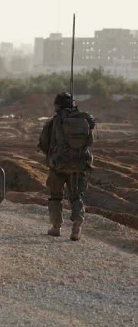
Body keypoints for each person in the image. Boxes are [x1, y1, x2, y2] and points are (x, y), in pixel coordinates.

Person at [38, 92, 96, 241]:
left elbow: (44, 143)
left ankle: (56, 227)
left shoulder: (54, 121)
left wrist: (53, 155)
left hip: (58, 165)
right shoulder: (84, 119)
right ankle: (77, 226)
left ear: (57, 105)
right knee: (76, 196)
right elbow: (89, 141)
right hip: (79, 165)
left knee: (55, 196)